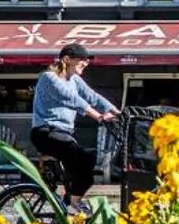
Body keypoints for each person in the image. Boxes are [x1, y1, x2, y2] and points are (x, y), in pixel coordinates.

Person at [31, 43, 118, 208]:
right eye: (82, 59)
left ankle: (67, 203)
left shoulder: (74, 80)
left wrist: (116, 112)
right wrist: (99, 116)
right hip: (46, 132)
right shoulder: (49, 77)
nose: (86, 63)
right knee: (82, 160)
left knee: (86, 168)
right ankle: (73, 204)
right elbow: (72, 99)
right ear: (67, 59)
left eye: (87, 60)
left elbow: (93, 97)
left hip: (63, 134)